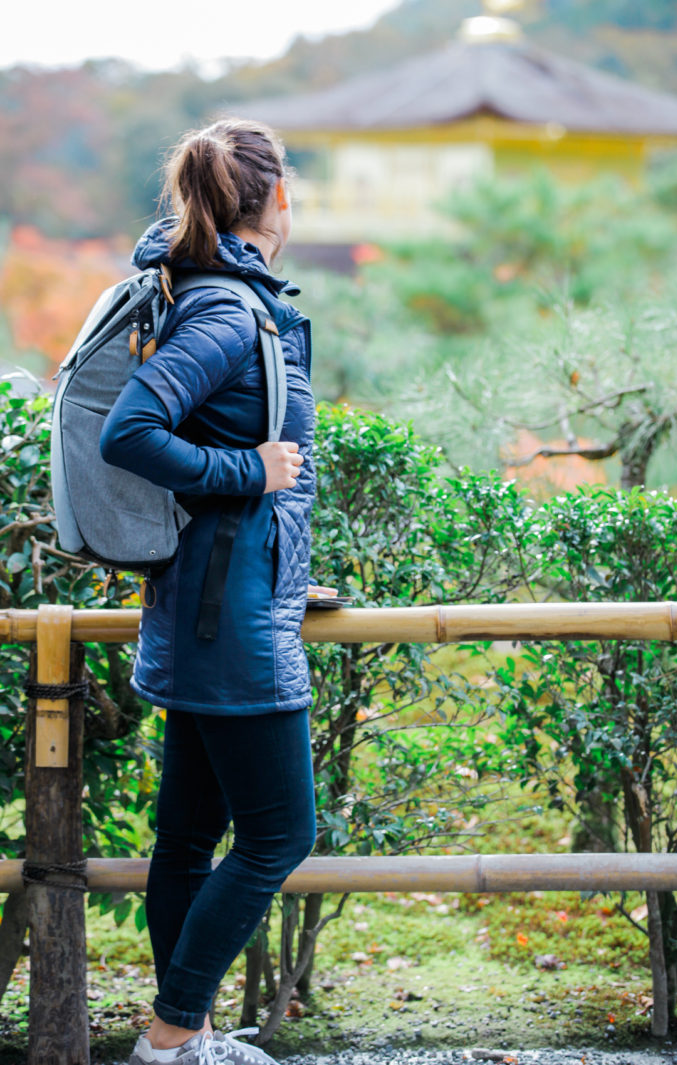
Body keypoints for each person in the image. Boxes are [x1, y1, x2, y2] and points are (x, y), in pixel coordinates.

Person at [100, 119, 333, 1065]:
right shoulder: (231, 311)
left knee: (190, 835)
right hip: (227, 621)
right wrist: (250, 470)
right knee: (280, 832)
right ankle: (167, 1035)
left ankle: (183, 1037)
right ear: (276, 199)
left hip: (216, 601)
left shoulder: (213, 294)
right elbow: (131, 431)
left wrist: (282, 560)